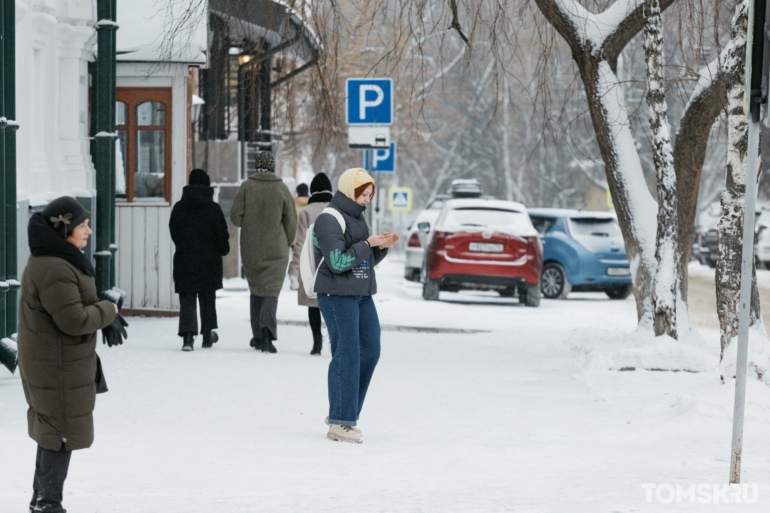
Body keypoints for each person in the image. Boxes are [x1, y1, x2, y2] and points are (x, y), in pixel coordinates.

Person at [17, 196, 128, 512]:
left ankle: (43, 500)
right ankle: (48, 504)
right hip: (56, 367)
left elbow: (75, 308)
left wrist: (102, 314)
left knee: (53, 432)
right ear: (63, 228)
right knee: (59, 434)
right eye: (82, 225)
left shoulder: (58, 259)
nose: (89, 231)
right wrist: (108, 309)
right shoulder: (54, 267)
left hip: (58, 363)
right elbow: (73, 319)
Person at [313, 168, 399, 443]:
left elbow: (363, 260)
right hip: (336, 294)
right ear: (350, 190)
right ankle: (341, 421)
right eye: (363, 194)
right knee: (347, 353)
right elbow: (338, 262)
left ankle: (343, 412)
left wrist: (381, 247)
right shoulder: (329, 219)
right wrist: (366, 243)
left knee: (371, 350)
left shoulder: (357, 218)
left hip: (361, 293)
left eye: (370, 195)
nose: (366, 199)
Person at [230, 151, 298, 353]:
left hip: (251, 248)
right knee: (270, 292)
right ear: (272, 167)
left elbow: (235, 218)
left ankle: (257, 336)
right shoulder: (282, 188)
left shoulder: (246, 187)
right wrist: (285, 241)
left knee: (256, 291)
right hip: (277, 249)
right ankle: (267, 333)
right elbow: (291, 223)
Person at [169, 169, 230, 351]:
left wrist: (185, 245)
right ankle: (207, 335)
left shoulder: (179, 208)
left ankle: (188, 336)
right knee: (208, 297)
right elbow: (222, 235)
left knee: (187, 297)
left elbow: (174, 232)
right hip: (209, 262)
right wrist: (221, 249)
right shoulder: (213, 209)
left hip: (185, 259)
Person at [287, 173, 333, 355]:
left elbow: (300, 243)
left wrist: (294, 269)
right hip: (333, 264)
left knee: (313, 305)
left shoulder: (307, 211)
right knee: (332, 305)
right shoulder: (337, 209)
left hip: (312, 265)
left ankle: (317, 343)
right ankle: (333, 340)